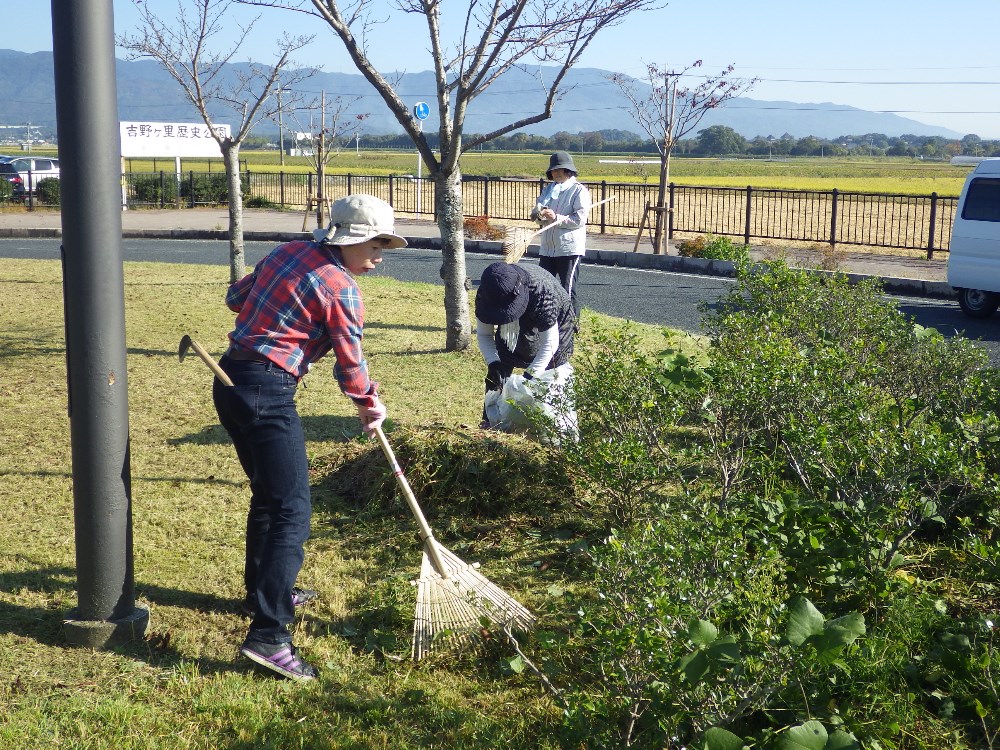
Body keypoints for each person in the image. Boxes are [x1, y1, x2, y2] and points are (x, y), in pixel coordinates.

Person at [212, 194, 407, 682]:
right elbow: (350, 359)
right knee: (292, 511)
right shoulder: (340, 288)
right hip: (267, 392)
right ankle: (269, 636)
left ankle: (264, 588)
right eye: (376, 245)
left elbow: (236, 298)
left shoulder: (287, 252)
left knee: (270, 497)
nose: (380, 257)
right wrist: (369, 403)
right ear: (353, 240)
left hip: (229, 380)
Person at [475, 261, 577, 431]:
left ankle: (553, 431)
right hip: (511, 332)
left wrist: (530, 377)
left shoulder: (543, 293)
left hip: (557, 327)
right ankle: (492, 426)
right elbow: (484, 334)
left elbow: (550, 344)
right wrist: (494, 363)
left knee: (550, 379)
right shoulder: (487, 293)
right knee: (496, 377)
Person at [530, 151, 592, 325]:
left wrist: (556, 217)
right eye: (553, 170)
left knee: (567, 289)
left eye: (560, 170)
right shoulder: (548, 190)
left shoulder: (578, 191)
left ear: (568, 170)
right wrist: (539, 214)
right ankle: (546, 324)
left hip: (569, 249)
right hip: (547, 248)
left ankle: (570, 326)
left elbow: (579, 220)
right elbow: (537, 212)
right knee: (544, 287)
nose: (556, 174)